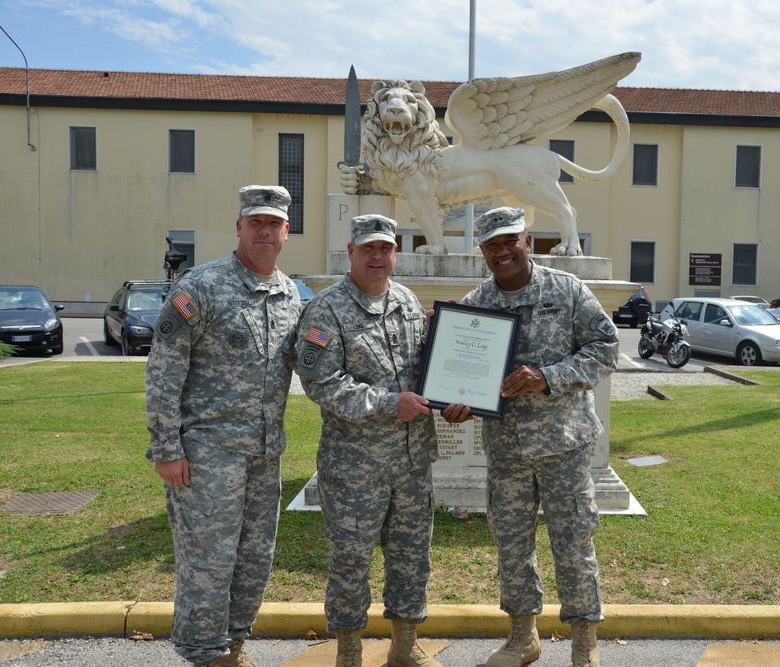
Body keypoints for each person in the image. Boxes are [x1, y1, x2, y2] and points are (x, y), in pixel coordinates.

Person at [444, 206, 619, 667]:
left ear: (528, 240)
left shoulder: (566, 290)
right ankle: (524, 638)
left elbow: (606, 348)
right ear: (482, 251)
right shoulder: (475, 303)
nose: (502, 252)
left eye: (509, 241)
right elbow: (456, 369)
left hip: (564, 445)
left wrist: (549, 376)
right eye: (491, 245)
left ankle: (585, 644)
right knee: (511, 544)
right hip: (508, 449)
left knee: (574, 541)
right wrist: (455, 403)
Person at [145, 185, 301, 667]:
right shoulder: (201, 286)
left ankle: (232, 645)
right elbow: (164, 369)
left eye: (273, 224)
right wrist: (166, 447)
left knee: (254, 560)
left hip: (264, 454)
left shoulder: (289, 293)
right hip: (208, 456)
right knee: (208, 562)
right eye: (255, 222)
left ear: (286, 232)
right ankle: (204, 653)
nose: (264, 232)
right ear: (239, 227)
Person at [295, 214, 446, 667]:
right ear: (352, 253)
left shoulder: (405, 300)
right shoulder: (326, 309)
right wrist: (386, 402)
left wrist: (449, 345)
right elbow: (320, 381)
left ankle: (404, 645)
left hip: (413, 460)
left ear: (395, 253)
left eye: (386, 248)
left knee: (412, 556)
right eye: (369, 249)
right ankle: (348, 650)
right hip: (354, 466)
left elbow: (426, 370)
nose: (378, 257)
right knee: (350, 561)